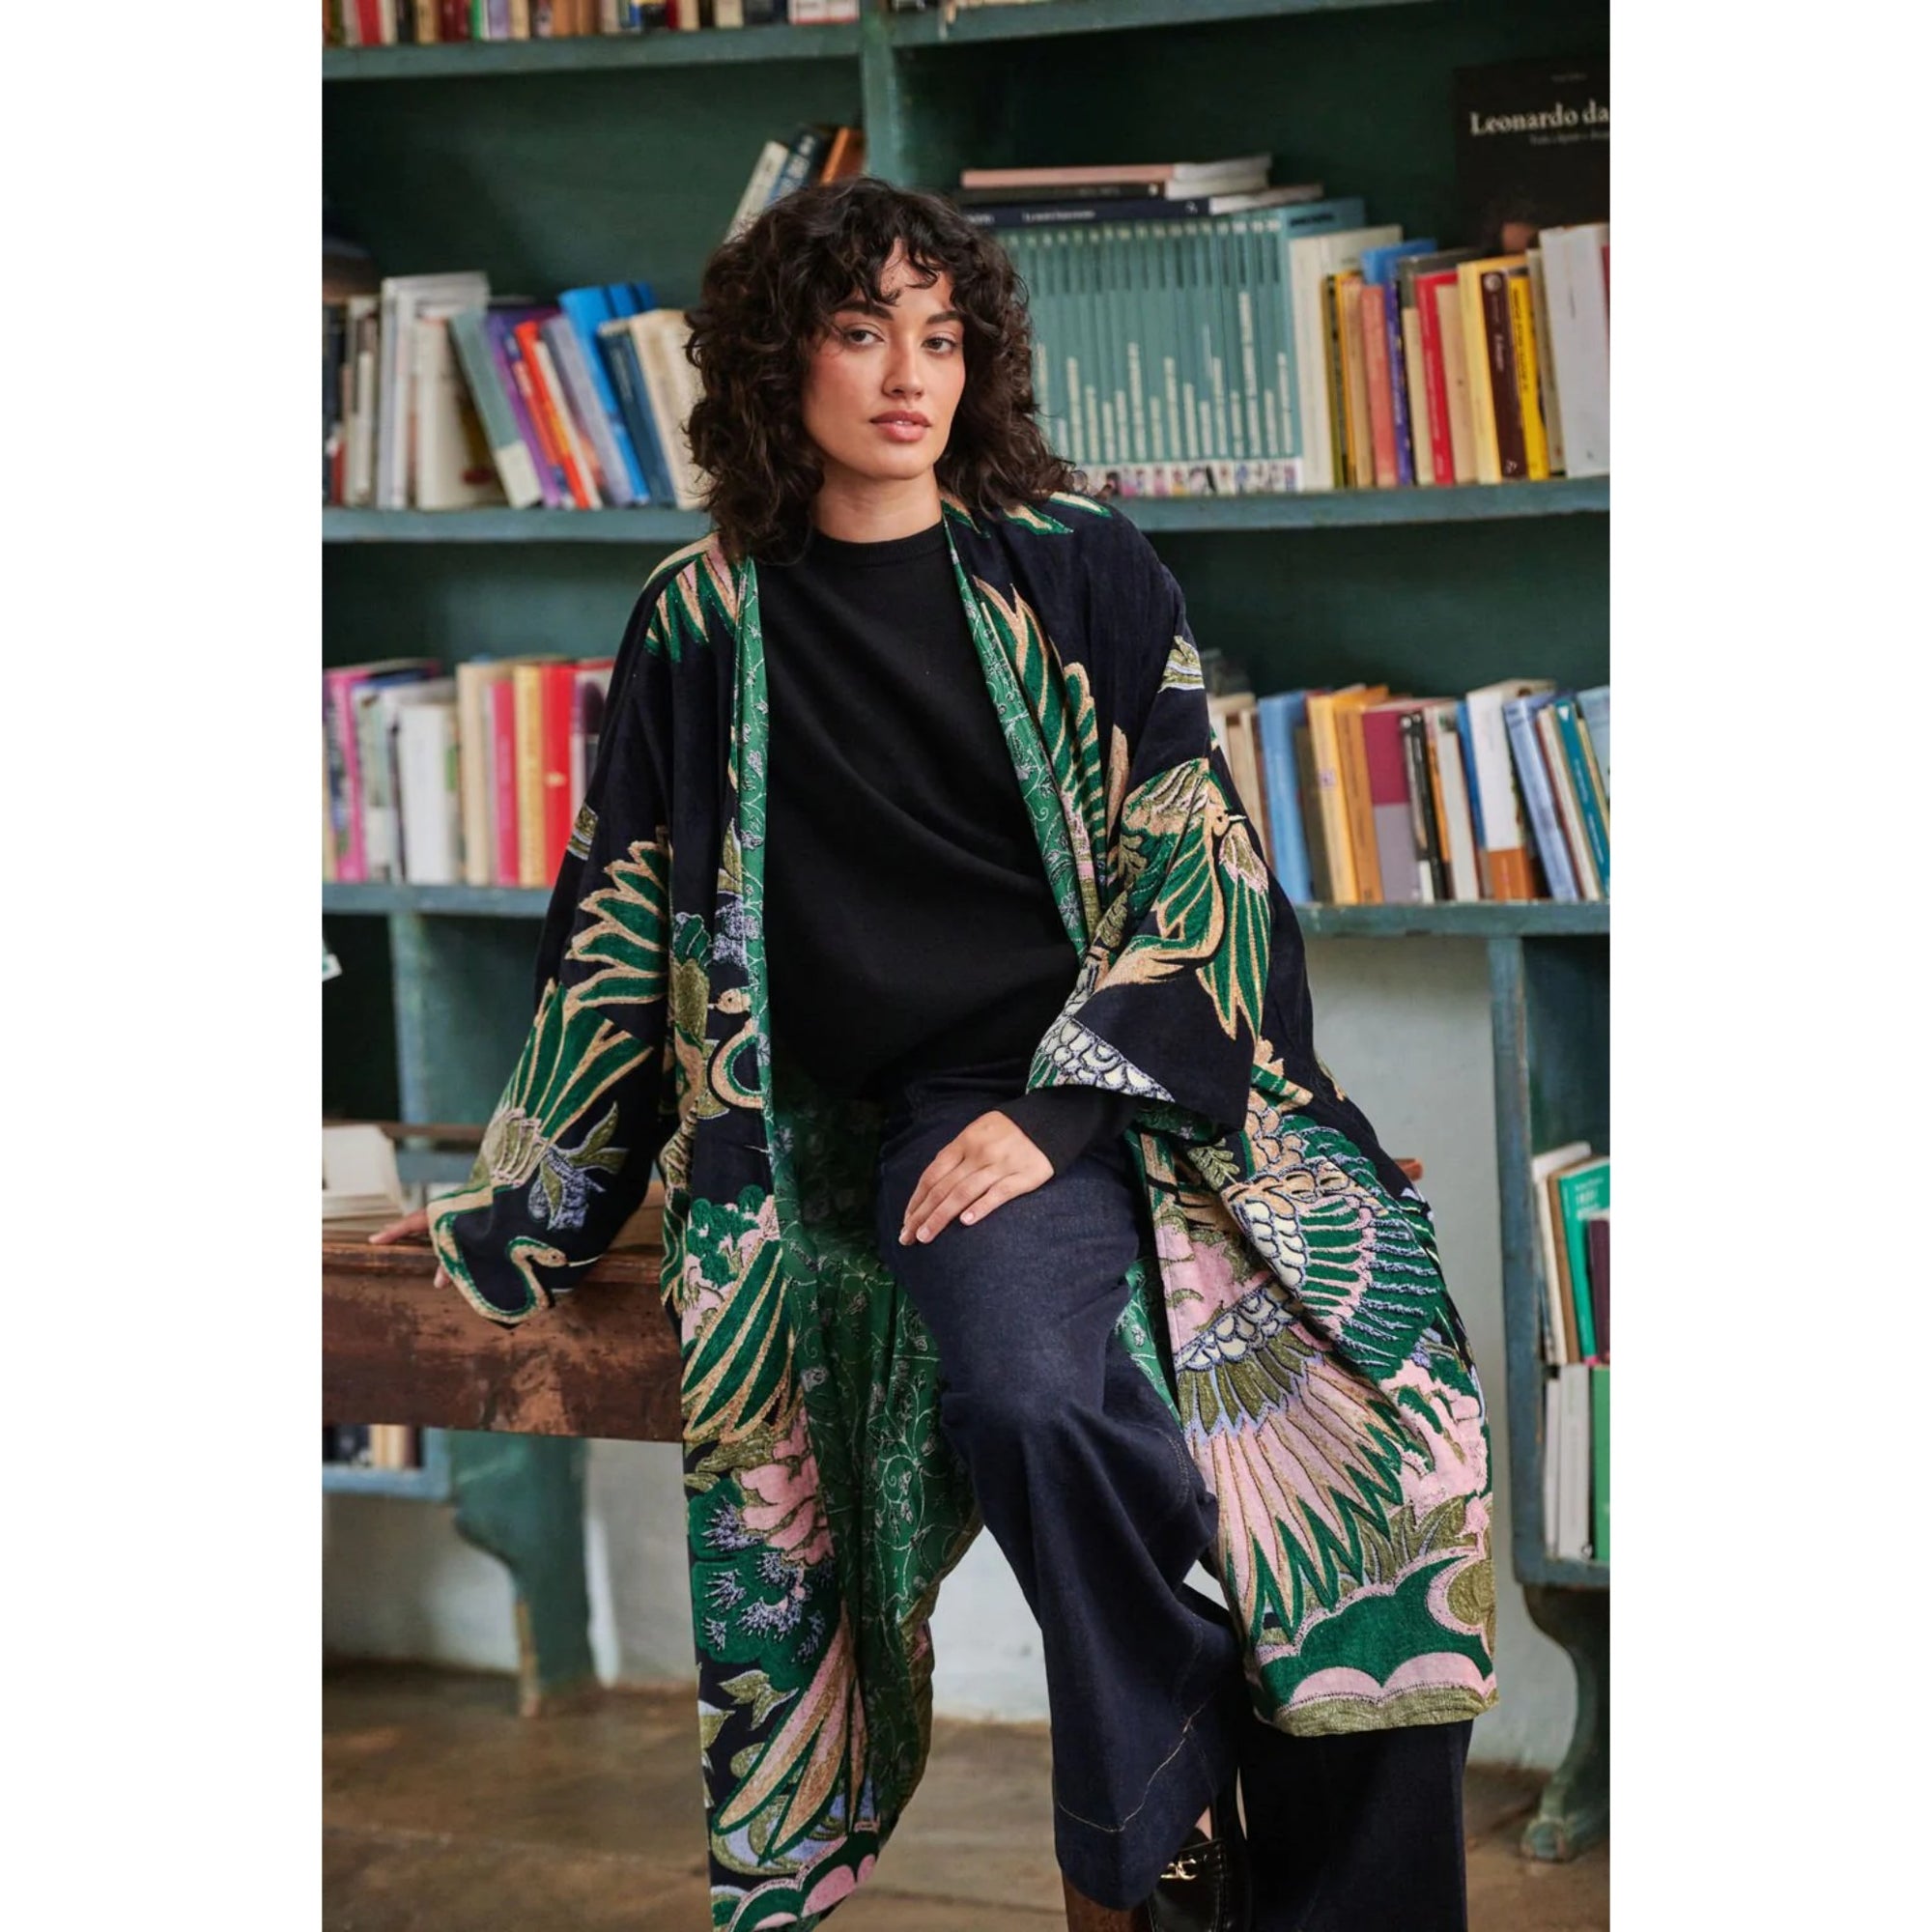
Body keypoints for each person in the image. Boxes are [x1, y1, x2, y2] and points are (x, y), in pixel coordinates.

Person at [372, 178, 1496, 1932]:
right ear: (774, 360)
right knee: (1033, 1396)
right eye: (859, 330)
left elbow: (1200, 853)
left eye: (942, 334)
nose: (911, 374)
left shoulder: (1079, 558)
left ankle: (1283, 1870)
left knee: (1388, 1434)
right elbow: (621, 922)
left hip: (1143, 1083)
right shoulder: (705, 616)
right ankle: (1168, 1795)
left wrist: (1070, 1105)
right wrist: (511, 1209)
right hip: (947, 1115)